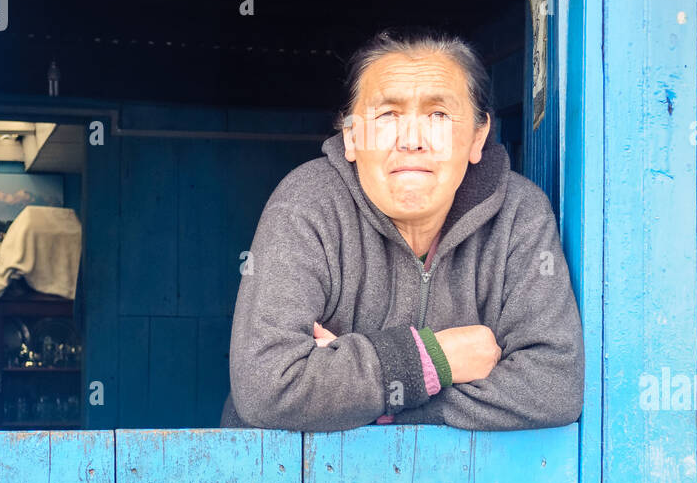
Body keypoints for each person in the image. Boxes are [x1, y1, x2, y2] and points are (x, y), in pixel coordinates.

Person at [219, 27, 584, 432]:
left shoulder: (520, 214)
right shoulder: (307, 204)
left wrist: (372, 403)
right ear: (352, 136)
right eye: (388, 115)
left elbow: (555, 385)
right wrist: (437, 358)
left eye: (438, 115)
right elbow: (267, 387)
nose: (411, 140)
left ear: (478, 136)